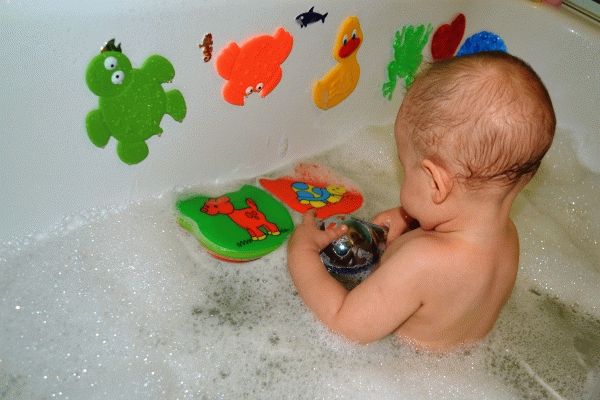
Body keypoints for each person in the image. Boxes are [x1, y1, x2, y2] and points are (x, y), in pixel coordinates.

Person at [287, 51, 556, 351]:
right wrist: (410, 217)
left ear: (436, 184)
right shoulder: (507, 238)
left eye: (405, 166)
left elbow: (343, 322)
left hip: (398, 374)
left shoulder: (422, 261)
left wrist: (303, 252)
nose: (403, 173)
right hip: (451, 374)